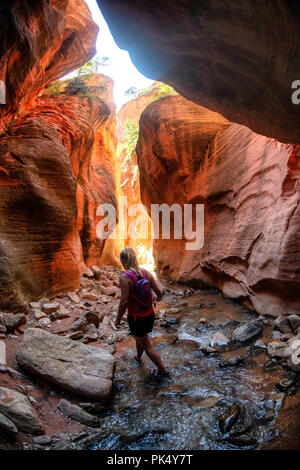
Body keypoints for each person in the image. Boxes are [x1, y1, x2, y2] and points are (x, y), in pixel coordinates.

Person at [115, 247, 169, 377]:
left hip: (136, 317)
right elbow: (160, 293)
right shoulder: (146, 273)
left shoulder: (125, 277)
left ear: (124, 260)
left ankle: (163, 370)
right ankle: (138, 357)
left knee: (147, 346)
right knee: (141, 337)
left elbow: (124, 301)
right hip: (149, 314)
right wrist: (157, 299)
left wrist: (117, 320)